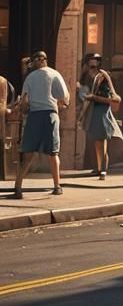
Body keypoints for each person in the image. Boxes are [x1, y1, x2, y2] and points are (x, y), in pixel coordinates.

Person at [11, 50, 70, 198]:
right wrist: (60, 106)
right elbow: (63, 97)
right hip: (50, 114)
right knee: (53, 153)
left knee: (28, 154)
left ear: (37, 61)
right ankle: (57, 186)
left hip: (34, 116)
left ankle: (18, 187)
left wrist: (23, 111)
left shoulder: (30, 77)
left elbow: (24, 102)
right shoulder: (54, 74)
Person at [81, 54, 122, 179]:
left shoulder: (102, 76)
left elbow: (110, 99)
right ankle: (98, 168)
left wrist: (93, 97)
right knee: (96, 143)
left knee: (102, 142)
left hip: (102, 112)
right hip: (93, 112)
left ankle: (103, 170)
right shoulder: (88, 78)